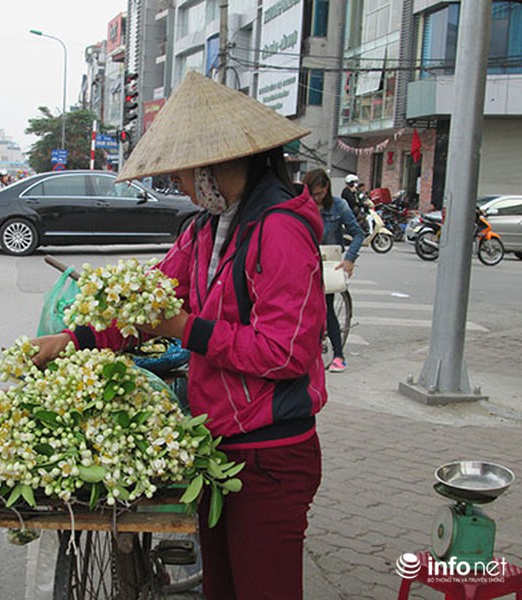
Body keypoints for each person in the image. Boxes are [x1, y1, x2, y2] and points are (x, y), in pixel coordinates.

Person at [30, 72, 327, 600]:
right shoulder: (206, 230)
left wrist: (186, 329)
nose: (181, 187)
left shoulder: (280, 231)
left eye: (182, 175)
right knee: (222, 589)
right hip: (218, 445)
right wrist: (76, 339)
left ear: (215, 166)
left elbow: (285, 352)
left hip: (270, 456)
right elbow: (147, 302)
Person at [303, 168, 365, 373]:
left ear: (326, 188)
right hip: (305, 263)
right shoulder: (302, 206)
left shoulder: (339, 206)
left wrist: (350, 259)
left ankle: (339, 355)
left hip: (329, 264)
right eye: (312, 194)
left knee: (327, 307)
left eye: (319, 193)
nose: (316, 198)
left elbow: (358, 234)